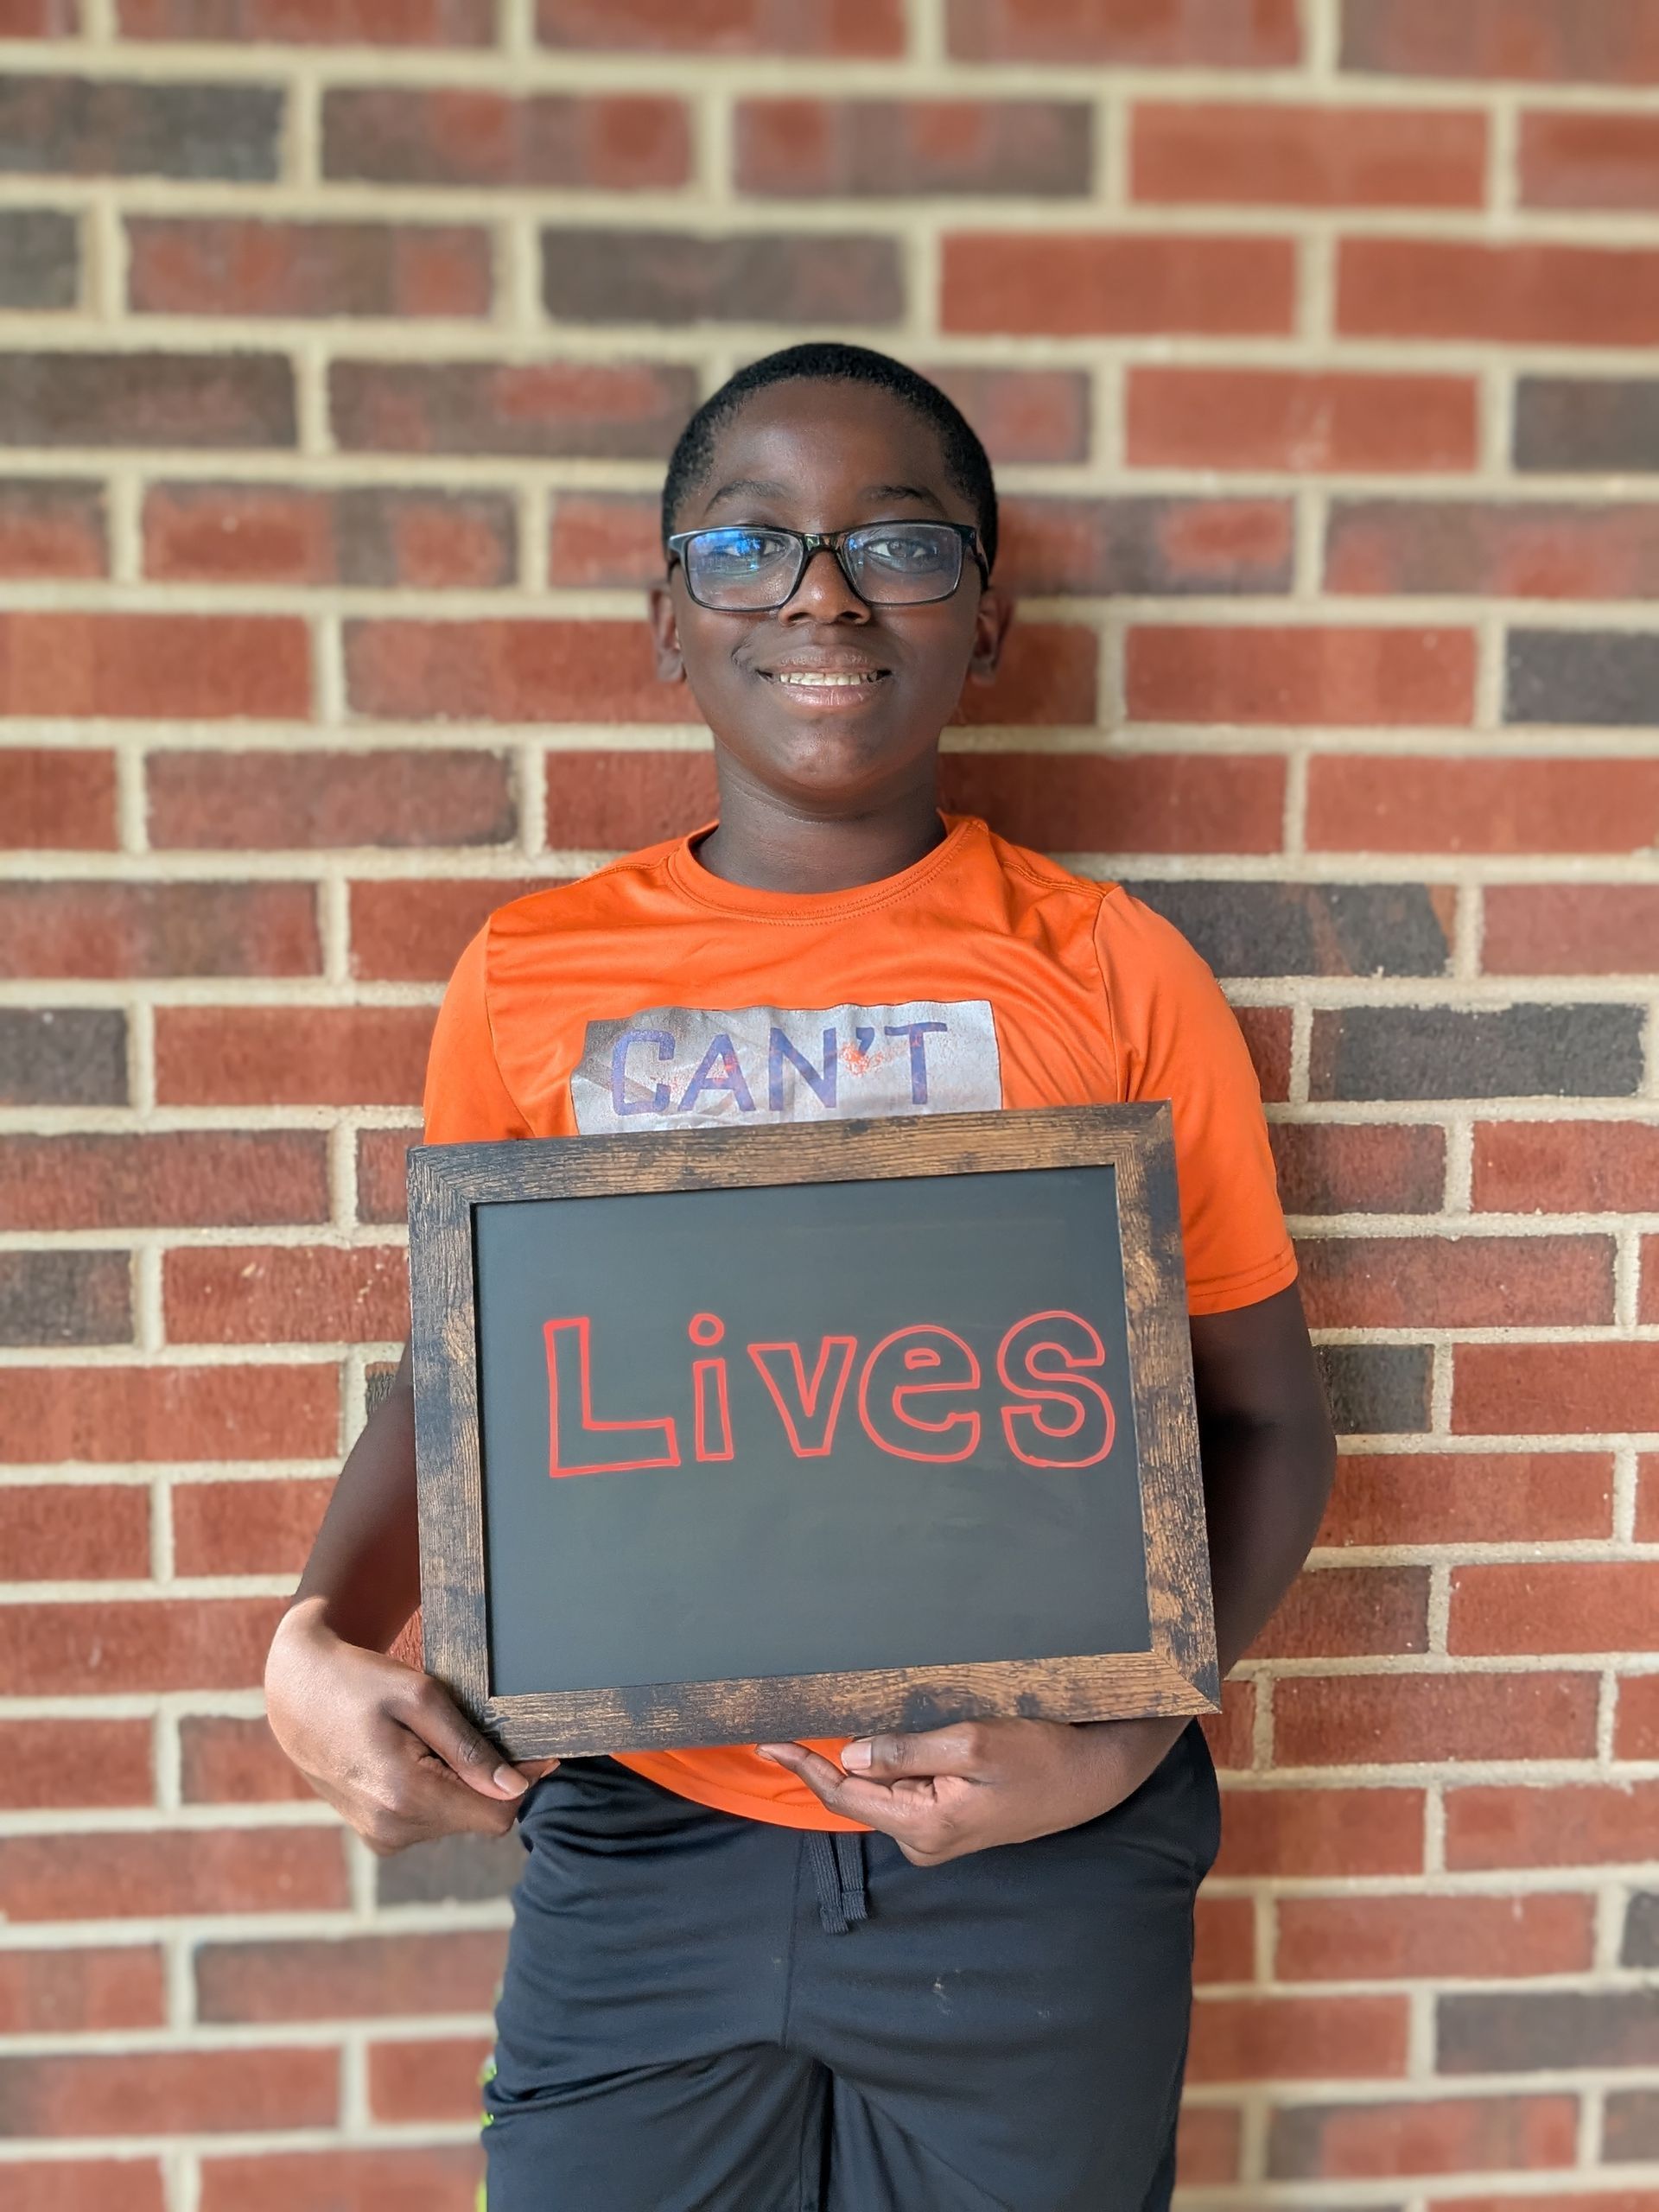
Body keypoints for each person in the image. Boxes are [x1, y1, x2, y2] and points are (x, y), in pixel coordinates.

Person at [265, 341, 1336, 2212]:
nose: (824, 592)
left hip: (1034, 1867)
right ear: (666, 616)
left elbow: (1265, 1417)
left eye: (899, 544)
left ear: (985, 620)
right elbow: (460, 1384)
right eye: (748, 546)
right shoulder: (529, 978)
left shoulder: (1109, 971)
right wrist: (312, 1633)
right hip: (643, 1839)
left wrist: (1118, 1743)